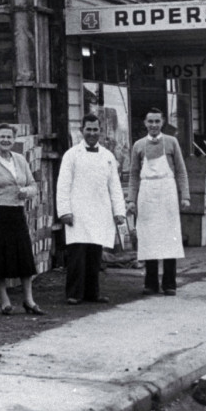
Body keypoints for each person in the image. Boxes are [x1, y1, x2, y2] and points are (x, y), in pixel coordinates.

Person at [0, 123, 43, 315]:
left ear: (14, 140)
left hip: (16, 214)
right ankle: (4, 301)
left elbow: (33, 186)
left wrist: (25, 192)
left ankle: (28, 300)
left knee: (25, 257)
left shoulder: (20, 160)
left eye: (9, 137)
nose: (5, 140)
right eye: (2, 137)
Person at [56, 114, 127, 305]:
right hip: (77, 212)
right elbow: (63, 185)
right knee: (77, 254)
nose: (92, 133)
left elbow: (115, 185)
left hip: (99, 211)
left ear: (100, 131)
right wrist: (64, 211)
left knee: (95, 255)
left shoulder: (108, 156)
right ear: (82, 131)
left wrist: (119, 211)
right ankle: (74, 293)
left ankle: (92, 293)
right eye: (88, 129)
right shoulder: (71, 155)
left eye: (96, 129)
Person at [127, 108, 190, 295]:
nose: (153, 125)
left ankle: (169, 283)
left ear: (162, 122)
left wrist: (184, 195)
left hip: (167, 191)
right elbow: (133, 175)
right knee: (149, 237)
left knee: (169, 237)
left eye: (157, 121)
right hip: (146, 193)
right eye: (150, 121)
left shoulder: (172, 142)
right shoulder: (138, 145)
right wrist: (131, 199)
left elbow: (180, 170)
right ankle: (151, 283)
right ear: (145, 124)